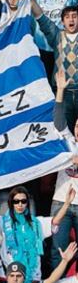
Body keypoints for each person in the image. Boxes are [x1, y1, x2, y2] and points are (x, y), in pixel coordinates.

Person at [0, 181, 75, 283]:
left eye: (23, 201)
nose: (20, 204)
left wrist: (67, 203)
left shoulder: (36, 223)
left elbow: (55, 221)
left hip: (31, 279)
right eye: (16, 201)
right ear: (11, 203)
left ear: (27, 203)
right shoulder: (3, 222)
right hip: (7, 278)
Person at [30, 0, 78, 134]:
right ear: (62, 22)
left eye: (75, 16)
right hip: (63, 93)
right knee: (63, 131)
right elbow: (41, 18)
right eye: (67, 17)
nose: (71, 20)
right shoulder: (57, 36)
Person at [49, 70, 78, 266]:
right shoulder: (68, 141)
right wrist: (60, 90)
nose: (77, 129)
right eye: (76, 125)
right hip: (60, 202)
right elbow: (58, 120)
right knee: (57, 252)